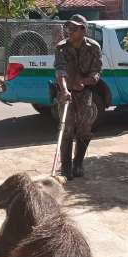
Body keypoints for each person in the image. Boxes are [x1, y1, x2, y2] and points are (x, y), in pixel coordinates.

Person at [54, 14, 102, 180]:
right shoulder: (61, 47)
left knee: (84, 129)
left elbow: (97, 71)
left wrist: (88, 80)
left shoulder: (94, 47)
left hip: (85, 93)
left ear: (83, 29)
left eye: (74, 28)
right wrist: (65, 90)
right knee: (66, 129)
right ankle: (66, 167)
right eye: (69, 28)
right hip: (65, 91)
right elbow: (60, 71)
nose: (70, 31)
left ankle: (78, 163)